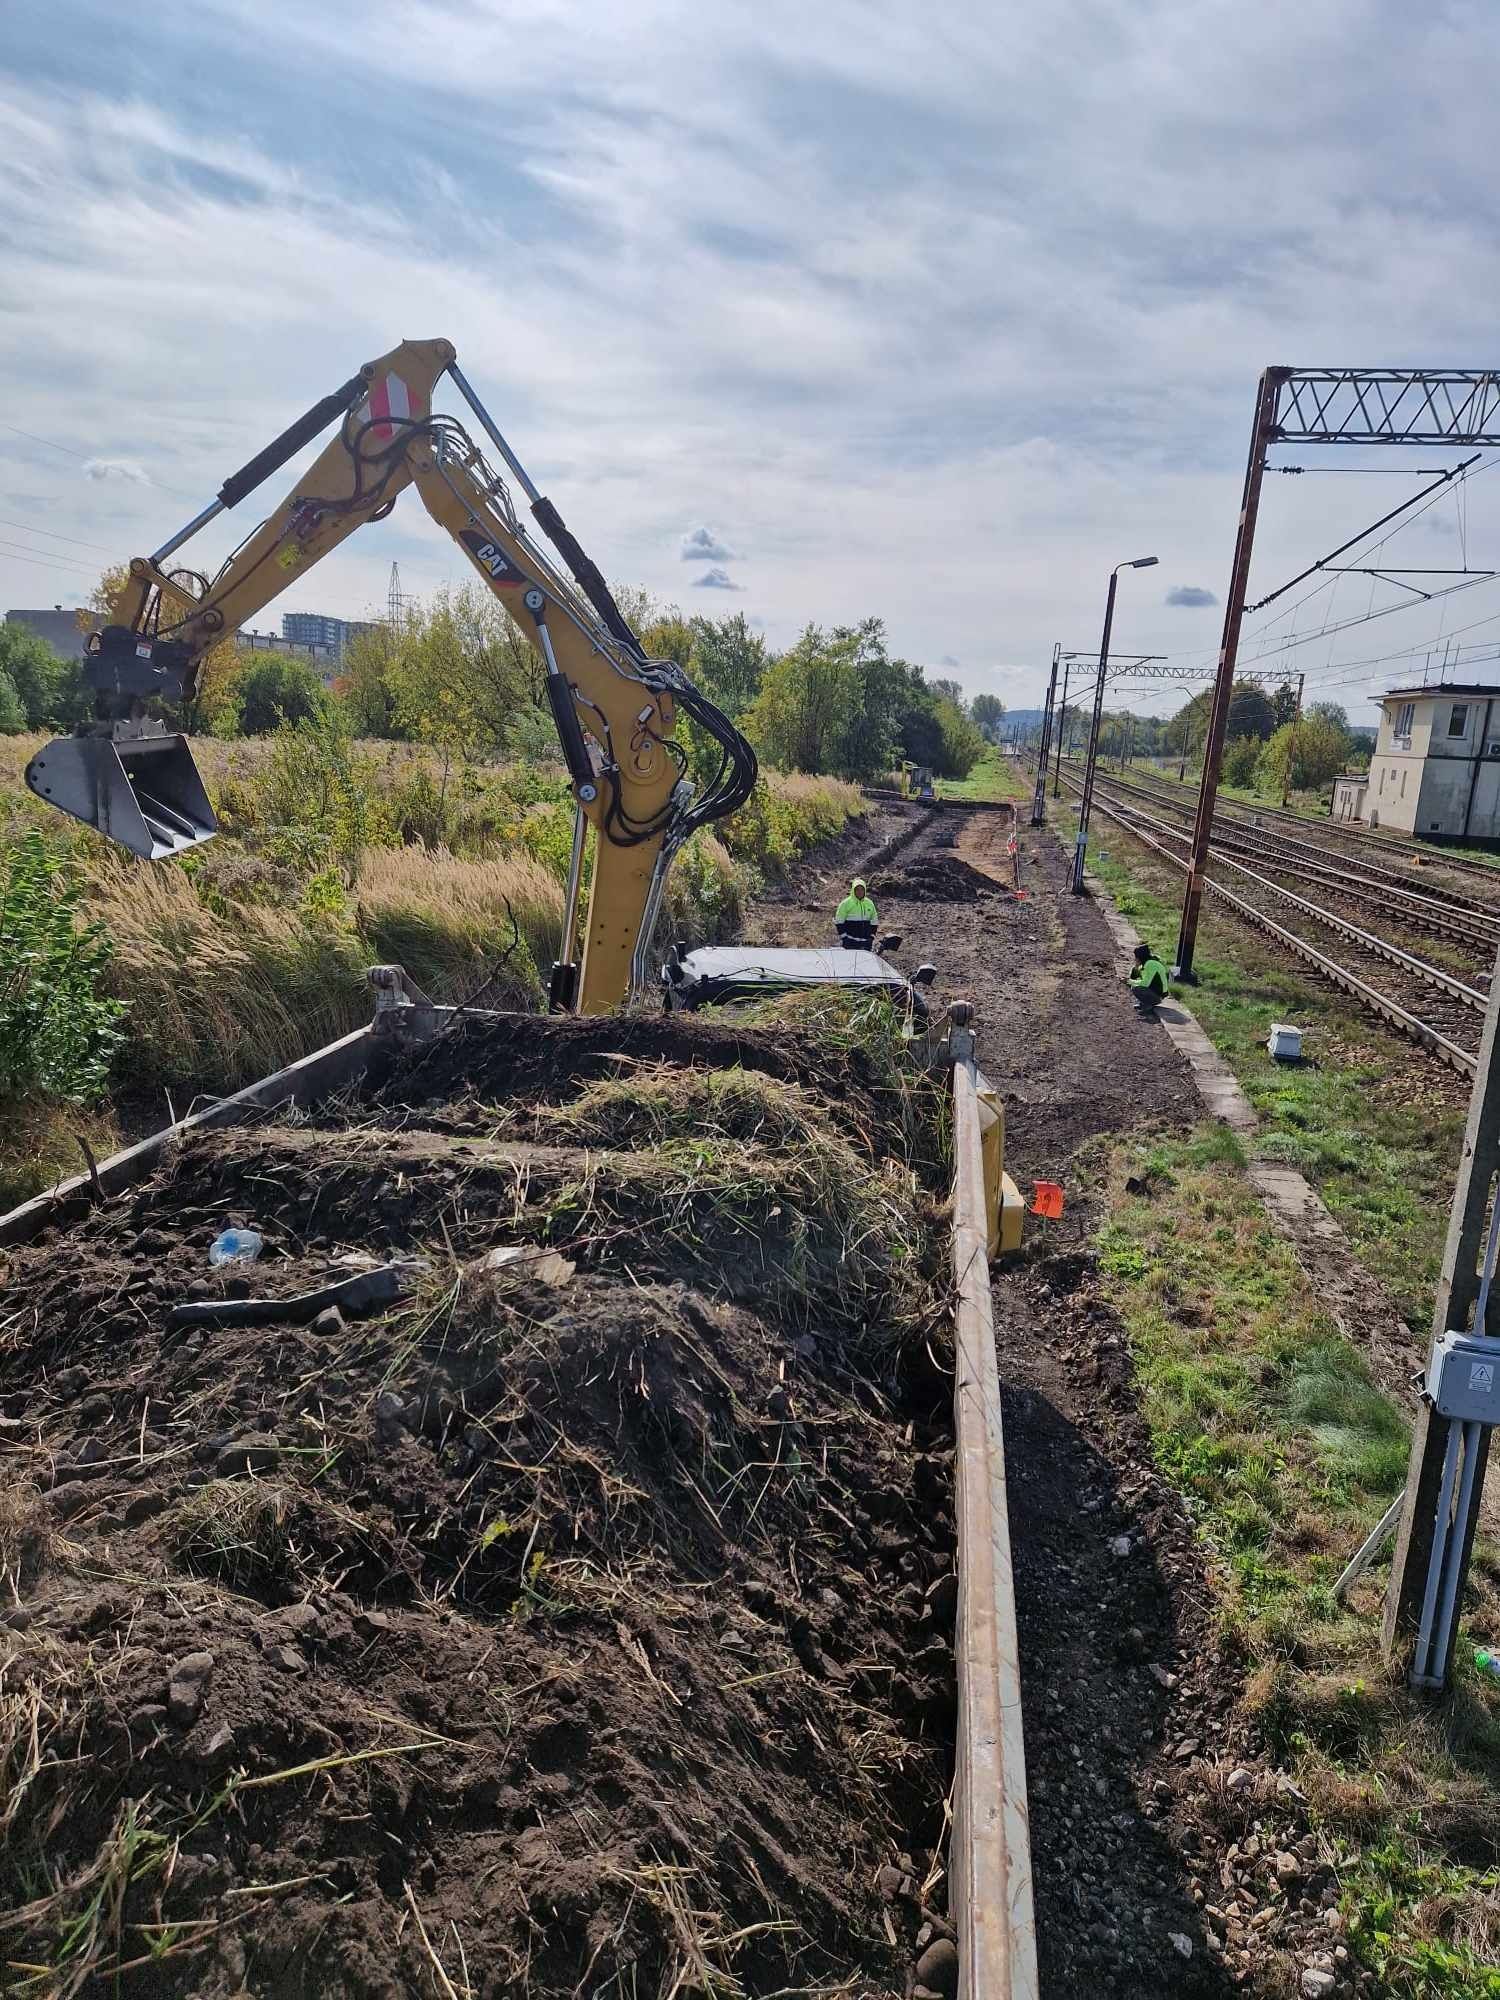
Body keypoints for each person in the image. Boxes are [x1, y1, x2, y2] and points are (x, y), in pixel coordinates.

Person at [835, 877, 878, 950]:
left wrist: (872, 937)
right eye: (857, 889)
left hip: (866, 942)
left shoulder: (869, 903)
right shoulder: (845, 903)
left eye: (862, 889)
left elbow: (874, 921)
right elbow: (839, 921)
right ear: (853, 890)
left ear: (865, 890)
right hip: (850, 942)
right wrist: (844, 938)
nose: (860, 891)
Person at [1128, 942, 1170, 1016]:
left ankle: (1148, 1005)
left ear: (1141, 957)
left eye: (1136, 957)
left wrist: (1129, 981)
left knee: (1136, 988)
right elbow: (1136, 977)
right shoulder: (1146, 963)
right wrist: (1135, 968)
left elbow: (1145, 983)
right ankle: (1143, 1003)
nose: (1135, 959)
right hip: (1155, 992)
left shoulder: (1150, 964)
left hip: (1158, 995)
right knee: (1134, 985)